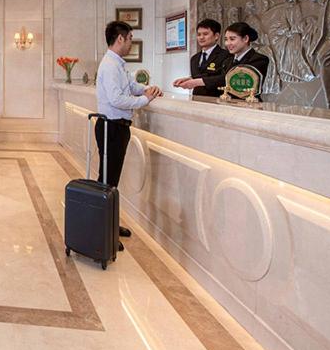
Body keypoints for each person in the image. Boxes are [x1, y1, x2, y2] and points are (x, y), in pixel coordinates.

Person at [96, 21, 162, 239]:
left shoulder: (118, 64)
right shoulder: (109, 65)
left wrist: (145, 89)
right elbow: (116, 99)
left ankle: (109, 225)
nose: (131, 43)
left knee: (111, 180)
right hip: (111, 127)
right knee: (107, 180)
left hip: (117, 127)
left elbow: (130, 87)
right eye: (131, 38)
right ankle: (104, 231)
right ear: (121, 38)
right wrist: (144, 100)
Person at [176, 22, 270, 96]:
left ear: (245, 39)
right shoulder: (228, 61)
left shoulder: (259, 59)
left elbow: (228, 79)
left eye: (232, 39)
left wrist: (197, 81)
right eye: (226, 39)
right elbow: (214, 75)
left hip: (247, 107)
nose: (228, 43)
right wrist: (190, 79)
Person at [173, 19, 230, 97]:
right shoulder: (194, 59)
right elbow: (199, 76)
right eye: (199, 34)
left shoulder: (226, 55)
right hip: (196, 99)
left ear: (216, 36)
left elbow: (225, 79)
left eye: (205, 34)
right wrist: (188, 79)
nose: (201, 37)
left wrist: (196, 82)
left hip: (216, 100)